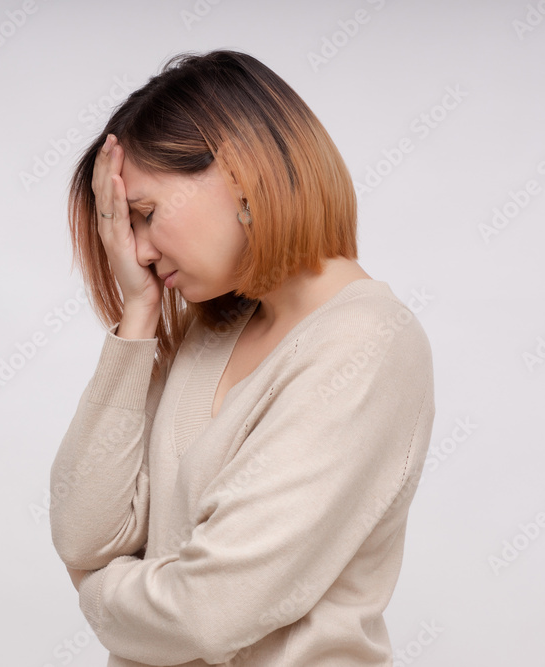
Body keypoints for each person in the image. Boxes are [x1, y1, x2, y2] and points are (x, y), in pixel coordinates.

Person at [49, 49, 435, 667]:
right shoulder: (212, 327)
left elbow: (209, 611)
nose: (138, 251)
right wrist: (140, 316)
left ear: (239, 169)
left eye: (145, 215)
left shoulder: (367, 344)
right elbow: (85, 533)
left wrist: (97, 591)